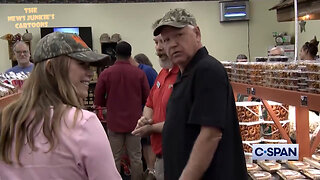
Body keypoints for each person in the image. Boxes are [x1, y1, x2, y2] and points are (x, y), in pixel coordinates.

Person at [0, 32, 121, 179]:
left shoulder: (7, 121)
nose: (90, 72)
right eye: (82, 64)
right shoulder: (83, 123)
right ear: (51, 69)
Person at [153, 8, 248, 179]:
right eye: (166, 39)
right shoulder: (185, 74)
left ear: (197, 33)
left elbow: (210, 134)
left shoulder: (207, 70)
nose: (172, 44)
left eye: (179, 35)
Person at [94, 41, 150, 180]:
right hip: (134, 122)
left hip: (114, 123)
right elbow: (147, 98)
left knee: (114, 157)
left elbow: (98, 99)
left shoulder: (106, 73)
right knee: (136, 157)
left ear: (115, 54)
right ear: (130, 54)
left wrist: (110, 103)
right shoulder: (139, 73)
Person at [132, 18, 179, 180]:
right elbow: (149, 103)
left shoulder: (183, 76)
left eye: (163, 42)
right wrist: (145, 120)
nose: (158, 48)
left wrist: (151, 128)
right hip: (160, 154)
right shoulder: (162, 74)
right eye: (156, 42)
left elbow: (180, 122)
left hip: (176, 157)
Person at [130, 53, 158, 179]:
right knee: (144, 142)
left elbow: (154, 93)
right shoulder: (139, 72)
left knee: (149, 142)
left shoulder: (148, 71)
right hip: (141, 113)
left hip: (150, 113)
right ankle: (149, 168)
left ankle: (152, 170)